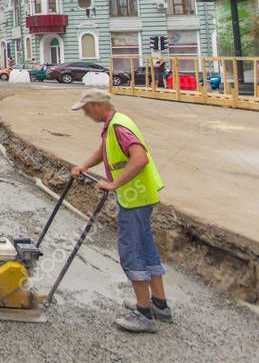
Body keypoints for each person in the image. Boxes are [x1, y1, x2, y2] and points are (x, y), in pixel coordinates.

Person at [70, 88, 169, 334]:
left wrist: (114, 184)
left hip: (134, 198)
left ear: (96, 105)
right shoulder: (114, 124)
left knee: (132, 251)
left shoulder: (117, 126)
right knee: (146, 247)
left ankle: (144, 313)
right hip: (141, 196)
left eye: (86, 109)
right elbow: (104, 151)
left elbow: (139, 158)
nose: (85, 114)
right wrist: (83, 166)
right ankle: (159, 303)